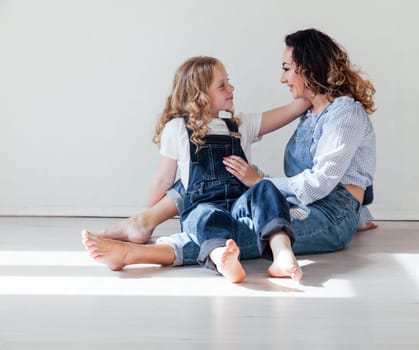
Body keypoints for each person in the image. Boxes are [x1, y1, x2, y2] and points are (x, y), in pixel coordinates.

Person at [83, 28, 376, 276]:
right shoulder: (313, 113)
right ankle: (144, 222)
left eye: (287, 69)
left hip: (327, 211)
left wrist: (258, 182)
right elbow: (349, 168)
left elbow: (324, 183)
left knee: (237, 231)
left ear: (308, 69)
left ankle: (139, 254)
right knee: (206, 191)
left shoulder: (343, 114)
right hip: (308, 204)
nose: (282, 78)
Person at [83, 56, 310, 282]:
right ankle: (223, 258)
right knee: (207, 216)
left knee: (266, 188)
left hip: (240, 207)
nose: (231, 88)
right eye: (221, 85)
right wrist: (150, 217)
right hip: (202, 207)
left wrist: (316, 83)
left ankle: (282, 254)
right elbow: (164, 179)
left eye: (227, 81)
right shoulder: (177, 129)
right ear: (199, 96)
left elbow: (293, 109)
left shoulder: (241, 126)